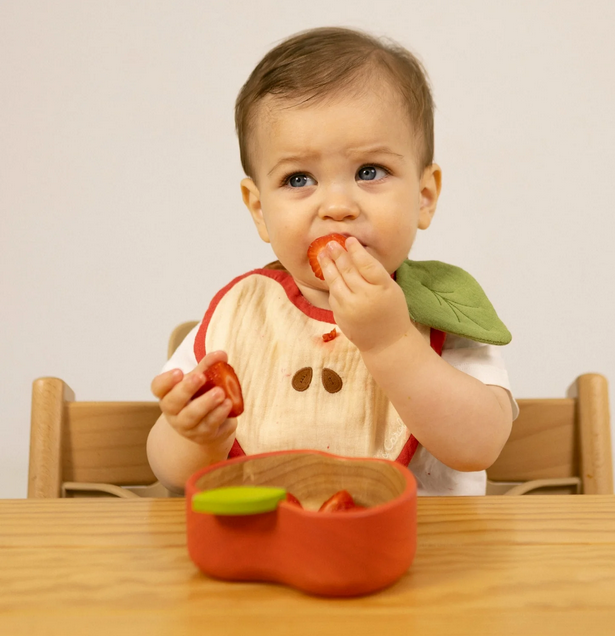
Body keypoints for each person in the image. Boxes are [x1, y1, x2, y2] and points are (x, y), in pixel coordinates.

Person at [147, 26, 518, 496]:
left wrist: (390, 343)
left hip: (427, 555)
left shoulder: (443, 308)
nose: (337, 205)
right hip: (269, 552)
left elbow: (480, 444)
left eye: (369, 172)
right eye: (299, 179)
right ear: (259, 209)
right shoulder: (242, 315)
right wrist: (193, 436)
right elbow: (172, 475)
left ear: (424, 196)